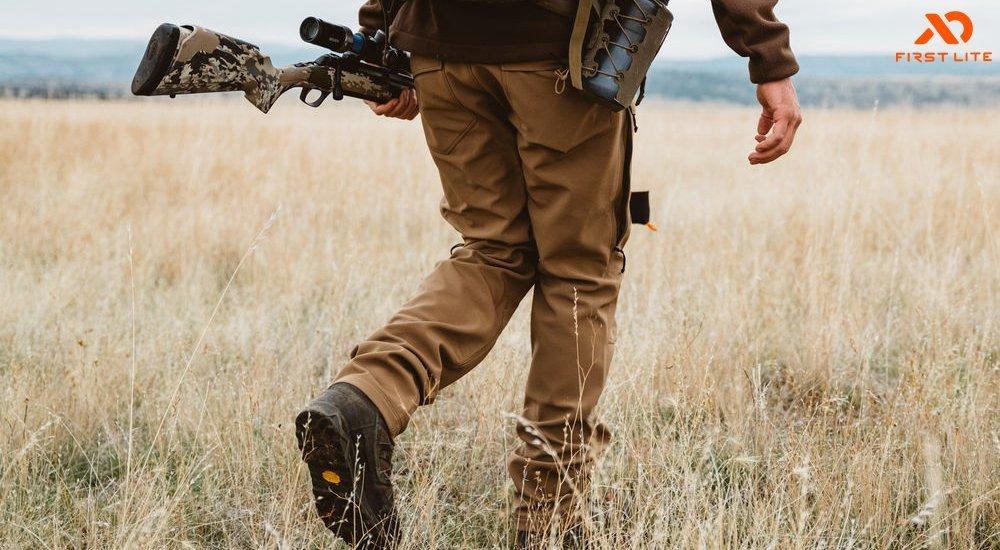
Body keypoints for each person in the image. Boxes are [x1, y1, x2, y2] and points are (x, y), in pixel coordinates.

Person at [295, 0, 802, 547]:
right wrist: (768, 58)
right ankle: (548, 520)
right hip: (559, 50)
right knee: (579, 273)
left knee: (492, 250)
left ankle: (365, 397)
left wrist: (387, 35)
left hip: (441, 49)